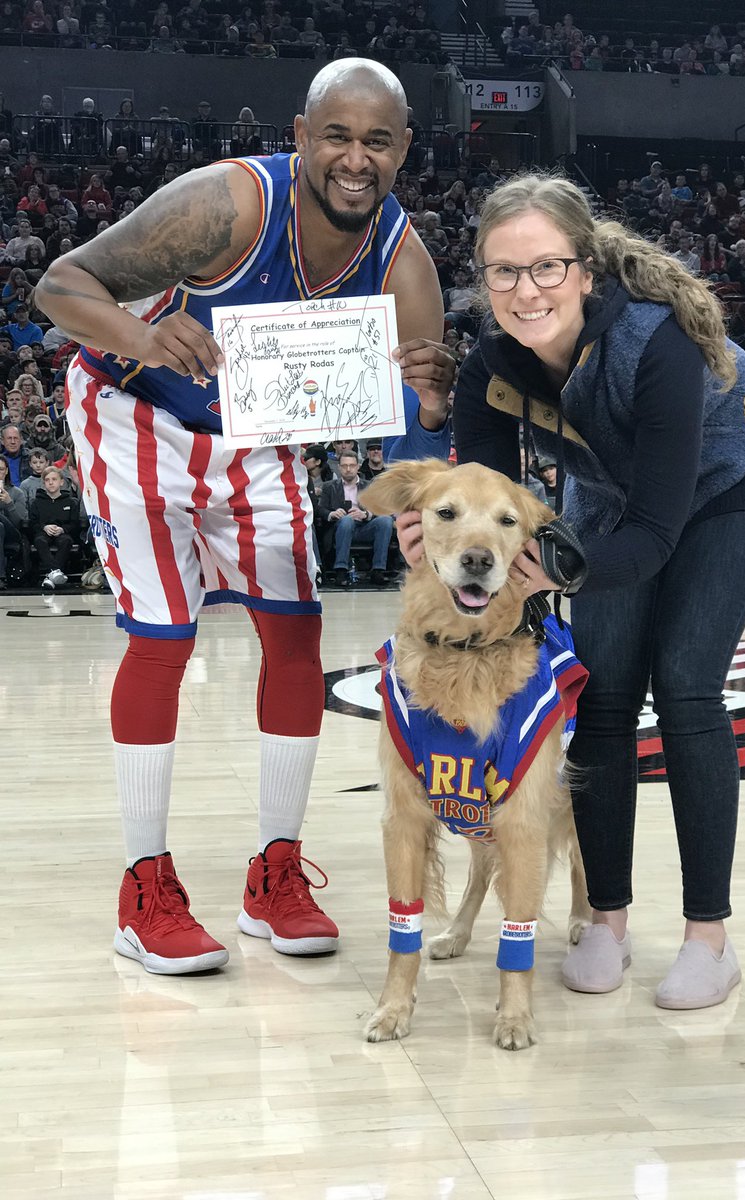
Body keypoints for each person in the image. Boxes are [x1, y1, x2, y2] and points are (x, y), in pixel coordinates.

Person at [34, 58, 454, 977]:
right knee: (163, 639)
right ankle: (143, 891)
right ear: (301, 137)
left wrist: (424, 413)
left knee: (296, 635)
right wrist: (145, 337)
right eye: (336, 136)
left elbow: (420, 426)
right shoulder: (226, 205)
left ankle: (275, 876)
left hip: (254, 432)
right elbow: (58, 288)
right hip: (132, 404)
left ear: (403, 150)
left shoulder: (403, 257)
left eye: (377, 141)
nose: (355, 158)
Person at [397, 174, 745, 1010]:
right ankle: (604, 921)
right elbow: (481, 504)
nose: (525, 289)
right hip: (612, 499)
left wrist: (554, 569)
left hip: (731, 482)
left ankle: (708, 941)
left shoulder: (658, 344)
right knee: (603, 696)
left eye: (546, 268)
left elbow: (653, 533)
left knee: (685, 686)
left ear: (584, 272)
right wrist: (431, 534)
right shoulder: (490, 372)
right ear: (484, 280)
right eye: (503, 272)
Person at [319, 449, 394, 586]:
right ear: (339, 467)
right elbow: (320, 509)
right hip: (341, 528)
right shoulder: (329, 487)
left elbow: (383, 509)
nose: (348, 469)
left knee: (386, 520)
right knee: (347, 520)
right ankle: (341, 570)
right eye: (344, 466)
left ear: (358, 466)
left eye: (352, 465)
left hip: (364, 527)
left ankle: (378, 570)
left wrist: (366, 514)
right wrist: (332, 514)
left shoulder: (369, 485)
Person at [28, 464, 81, 589]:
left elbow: (75, 523)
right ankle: (56, 572)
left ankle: (50, 575)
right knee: (40, 541)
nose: (51, 483)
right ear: (43, 483)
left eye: (54, 479)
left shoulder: (70, 501)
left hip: (62, 533)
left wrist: (63, 529)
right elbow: (32, 523)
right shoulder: (36, 502)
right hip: (43, 532)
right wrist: (44, 527)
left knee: (67, 541)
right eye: (47, 480)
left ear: (61, 482)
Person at [0, 452, 26, 589]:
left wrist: (9, 503)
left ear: (6, 472)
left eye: (1, 469)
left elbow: (20, 523)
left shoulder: (17, 493)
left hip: (13, 535)